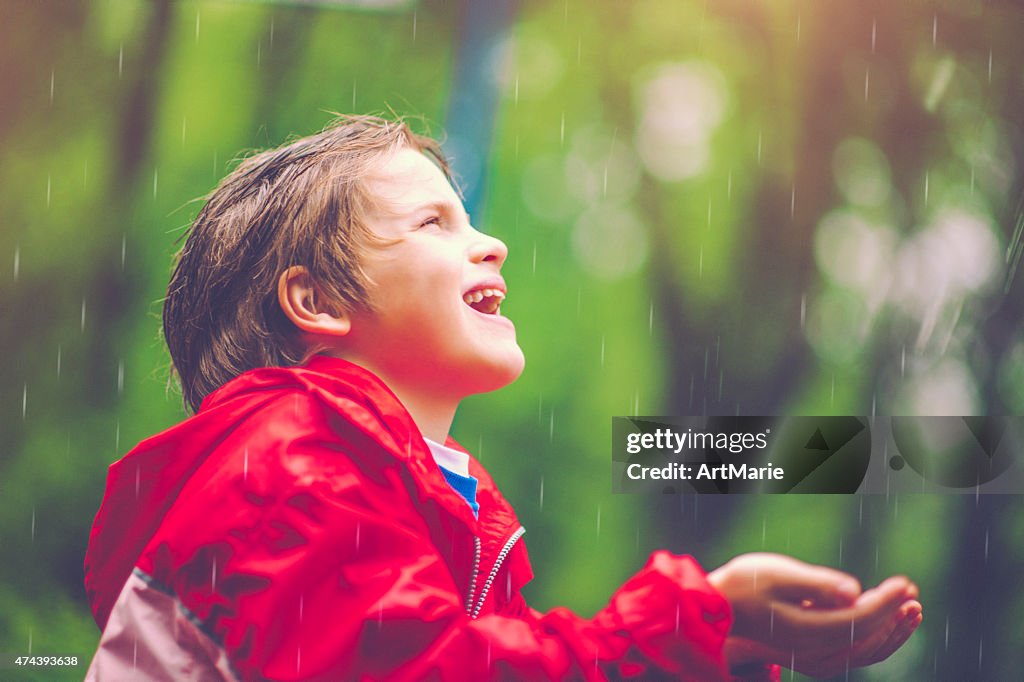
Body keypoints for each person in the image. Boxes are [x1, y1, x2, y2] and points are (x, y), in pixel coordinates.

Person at [83, 115, 922, 681]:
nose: (492, 242)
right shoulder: (290, 461)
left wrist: (720, 640)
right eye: (433, 224)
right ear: (319, 304)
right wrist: (679, 622)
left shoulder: (436, 500)